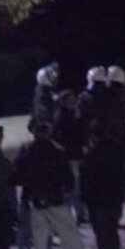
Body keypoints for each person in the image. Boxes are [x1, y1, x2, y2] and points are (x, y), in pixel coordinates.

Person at [13, 120, 95, 249]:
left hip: (35, 201)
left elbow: (16, 176)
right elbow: (67, 176)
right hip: (55, 199)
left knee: (40, 241)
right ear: (49, 133)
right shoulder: (57, 151)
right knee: (70, 236)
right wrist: (67, 189)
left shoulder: (27, 152)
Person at [79, 122, 125, 249]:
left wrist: (85, 198)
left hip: (97, 200)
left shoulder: (92, 155)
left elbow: (86, 179)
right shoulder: (119, 150)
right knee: (113, 231)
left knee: (102, 234)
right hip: (115, 198)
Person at [52, 89, 88, 224]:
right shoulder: (63, 117)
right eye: (71, 100)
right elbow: (68, 136)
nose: (74, 102)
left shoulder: (69, 114)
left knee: (76, 185)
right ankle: (75, 214)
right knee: (73, 186)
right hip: (70, 156)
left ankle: (79, 213)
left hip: (75, 155)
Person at [30, 62, 59, 131]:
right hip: (47, 128)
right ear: (45, 78)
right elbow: (43, 113)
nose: (56, 79)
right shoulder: (42, 93)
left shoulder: (49, 90)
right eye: (52, 77)